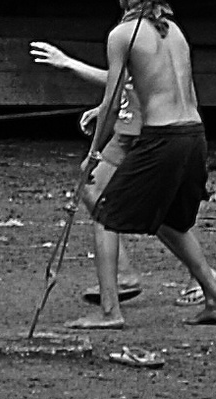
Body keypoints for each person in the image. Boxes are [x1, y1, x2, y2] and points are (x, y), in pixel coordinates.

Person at [70, 0, 216, 329]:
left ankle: (110, 311)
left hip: (162, 137)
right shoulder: (174, 32)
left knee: (104, 210)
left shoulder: (122, 35)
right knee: (170, 221)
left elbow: (112, 102)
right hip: (194, 135)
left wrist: (95, 152)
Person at [28, 40, 149, 306]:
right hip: (128, 124)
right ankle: (125, 274)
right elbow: (123, 78)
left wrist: (108, 114)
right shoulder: (129, 25)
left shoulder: (145, 28)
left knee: (164, 208)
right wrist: (70, 64)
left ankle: (202, 280)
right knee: (92, 184)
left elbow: (155, 79)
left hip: (151, 125)